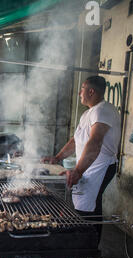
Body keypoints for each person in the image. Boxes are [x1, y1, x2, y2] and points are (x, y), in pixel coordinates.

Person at [42, 76, 121, 244]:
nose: (79, 93)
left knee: (88, 208)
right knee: (85, 205)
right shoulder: (88, 113)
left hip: (101, 166)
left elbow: (95, 141)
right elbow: (76, 140)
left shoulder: (103, 110)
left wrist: (78, 171)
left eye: (82, 89)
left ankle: (88, 253)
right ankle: (86, 249)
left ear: (91, 91)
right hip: (90, 165)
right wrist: (57, 158)